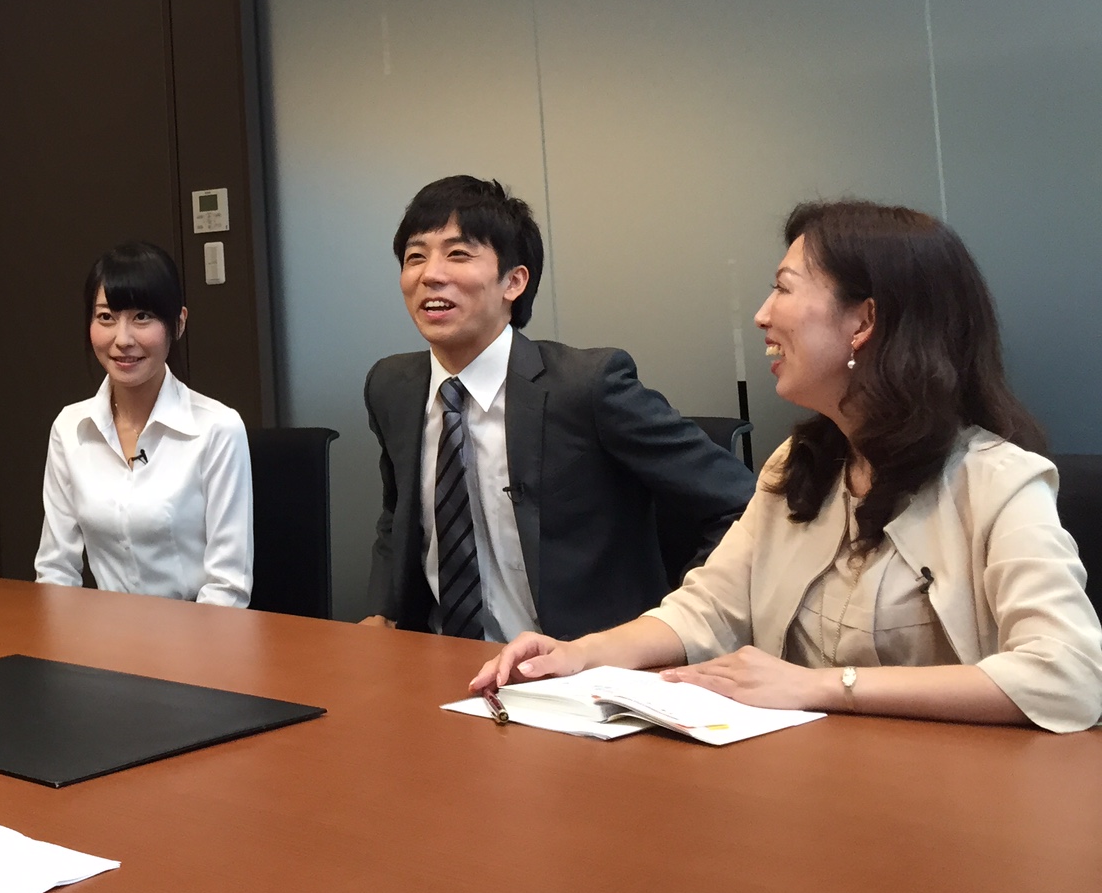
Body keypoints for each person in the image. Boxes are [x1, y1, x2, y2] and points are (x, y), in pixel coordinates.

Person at [472, 201, 1102, 732]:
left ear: (865, 320)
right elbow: (709, 608)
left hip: (948, 800)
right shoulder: (801, 466)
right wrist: (581, 654)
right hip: (802, 784)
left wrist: (822, 687)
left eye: (784, 288)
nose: (762, 315)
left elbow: (1069, 674)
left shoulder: (997, 481)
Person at [360, 176, 754, 641]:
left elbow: (743, 505)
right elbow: (397, 513)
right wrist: (383, 611)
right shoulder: (393, 386)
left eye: (458, 254)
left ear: (514, 281)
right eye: (415, 256)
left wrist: (674, 622)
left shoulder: (588, 386)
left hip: (580, 666)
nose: (430, 274)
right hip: (438, 661)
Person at [35, 242, 253, 607]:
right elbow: (56, 571)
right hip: (103, 634)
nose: (122, 340)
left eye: (142, 317)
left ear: (178, 323)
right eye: (106, 317)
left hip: (197, 634)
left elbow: (228, 588)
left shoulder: (218, 429)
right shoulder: (70, 428)